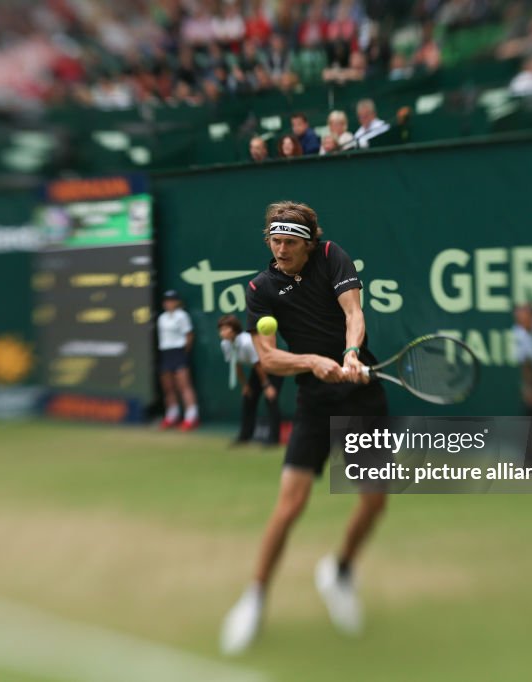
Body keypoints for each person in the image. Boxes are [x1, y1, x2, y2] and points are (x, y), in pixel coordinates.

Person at [220, 200, 390, 655]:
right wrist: (313, 362)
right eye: (275, 241)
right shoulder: (261, 288)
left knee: (374, 502)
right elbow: (270, 358)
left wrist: (351, 354)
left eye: (291, 242)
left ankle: (340, 573)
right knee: (290, 505)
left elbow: (354, 314)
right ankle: (254, 596)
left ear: (310, 242)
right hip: (315, 400)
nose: (281, 250)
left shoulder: (333, 255)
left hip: (362, 395)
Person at [218, 314, 282, 446]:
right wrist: (245, 385)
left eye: (225, 329)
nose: (222, 332)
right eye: (221, 329)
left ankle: (273, 439)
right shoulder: (225, 344)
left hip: (274, 366)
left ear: (234, 329)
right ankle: (244, 436)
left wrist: (267, 386)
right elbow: (236, 364)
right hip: (259, 368)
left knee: (270, 399)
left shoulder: (247, 343)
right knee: (248, 398)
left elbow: (258, 365)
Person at [157, 290, 200, 430]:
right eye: (166, 300)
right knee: (168, 387)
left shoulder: (182, 316)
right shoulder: (161, 318)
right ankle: (172, 415)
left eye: (171, 300)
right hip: (165, 352)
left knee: (184, 386)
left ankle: (191, 417)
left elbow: (189, 336)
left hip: (179, 352)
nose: (168, 303)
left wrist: (183, 354)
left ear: (177, 302)